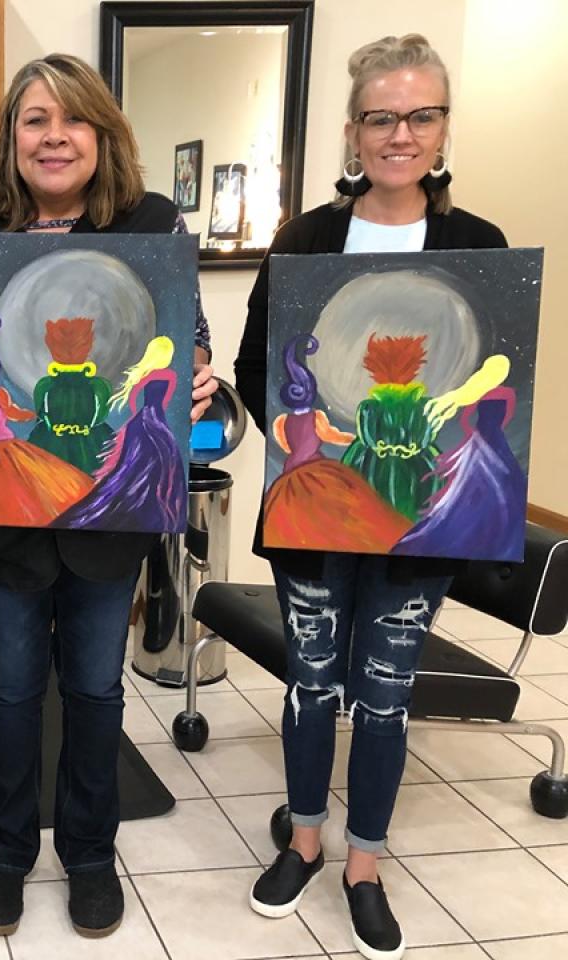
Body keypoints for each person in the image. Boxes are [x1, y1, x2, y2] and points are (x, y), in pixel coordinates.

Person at [0, 53, 216, 939]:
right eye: (35, 119)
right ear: (12, 137)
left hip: (111, 516)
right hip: (3, 516)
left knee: (94, 689)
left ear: (102, 133)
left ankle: (89, 854)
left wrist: (194, 374)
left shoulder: (151, 225)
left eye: (72, 118)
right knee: (8, 690)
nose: (54, 136)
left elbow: (190, 335)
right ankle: (5, 851)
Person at [233, 35, 508, 960]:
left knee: (385, 697)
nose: (401, 133)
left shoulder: (479, 248)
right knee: (313, 684)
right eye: (381, 117)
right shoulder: (305, 240)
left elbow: (493, 387)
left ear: (442, 127)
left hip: (423, 520)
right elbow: (256, 364)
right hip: (316, 511)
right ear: (353, 131)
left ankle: (365, 864)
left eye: (421, 115)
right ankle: (305, 840)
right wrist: (296, 429)